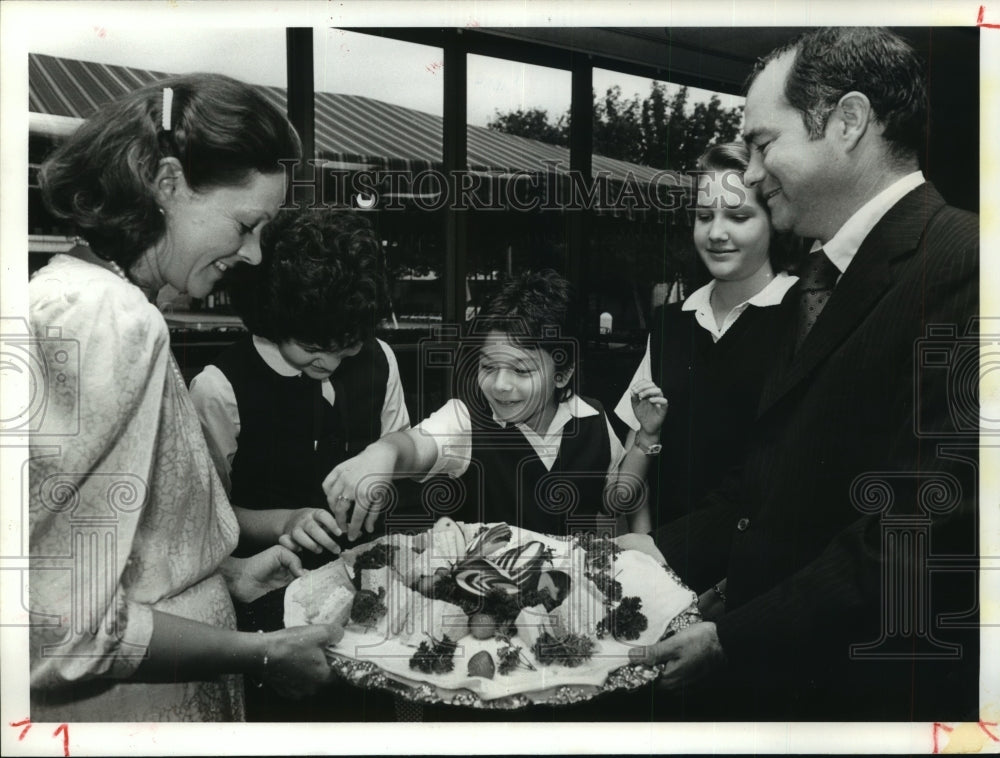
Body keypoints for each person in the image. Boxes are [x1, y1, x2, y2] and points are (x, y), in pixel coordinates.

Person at [627, 27, 979, 720]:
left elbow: (922, 528)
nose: (751, 174)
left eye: (762, 144)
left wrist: (735, 638)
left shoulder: (968, 266)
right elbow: (779, 485)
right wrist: (658, 549)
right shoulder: (823, 280)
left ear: (846, 123)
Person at [29, 74, 342, 722]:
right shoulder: (112, 321)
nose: (255, 256)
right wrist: (261, 650)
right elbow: (60, 627)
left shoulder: (85, 299)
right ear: (168, 185)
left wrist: (227, 577)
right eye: (246, 224)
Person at [323, 270, 659, 540]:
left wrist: (645, 436)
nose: (499, 385)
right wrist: (381, 454)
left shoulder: (592, 417)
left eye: (520, 370)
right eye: (488, 366)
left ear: (563, 373)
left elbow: (616, 498)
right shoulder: (466, 418)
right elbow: (414, 445)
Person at [189, 208, 410, 563]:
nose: (331, 363)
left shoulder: (380, 359)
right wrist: (286, 522)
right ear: (275, 321)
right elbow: (203, 516)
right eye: (311, 349)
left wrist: (382, 478)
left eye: (348, 347)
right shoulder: (219, 388)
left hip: (368, 568)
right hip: (265, 582)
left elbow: (400, 454)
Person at [614, 142, 799, 535]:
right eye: (703, 216)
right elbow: (637, 467)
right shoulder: (670, 324)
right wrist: (648, 549)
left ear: (774, 220)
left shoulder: (806, 314)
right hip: (665, 568)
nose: (716, 233)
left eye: (738, 216)